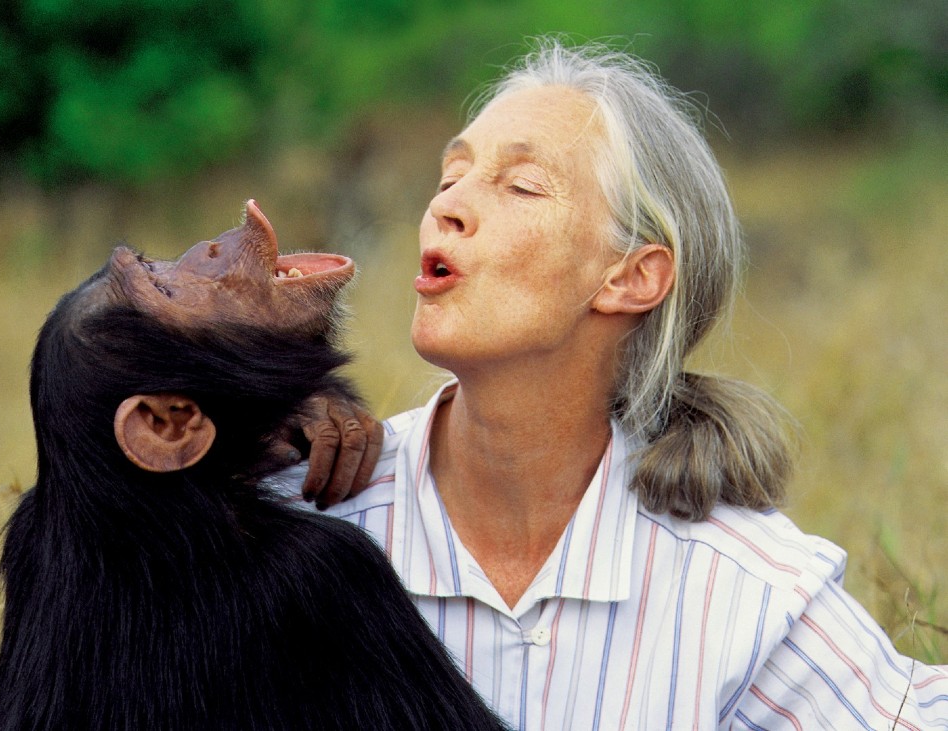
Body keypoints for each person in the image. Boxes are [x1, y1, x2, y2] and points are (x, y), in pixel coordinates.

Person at [289, 38, 948, 728]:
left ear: (632, 277)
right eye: (450, 177)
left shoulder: (750, 595)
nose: (445, 207)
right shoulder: (301, 519)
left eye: (520, 185)